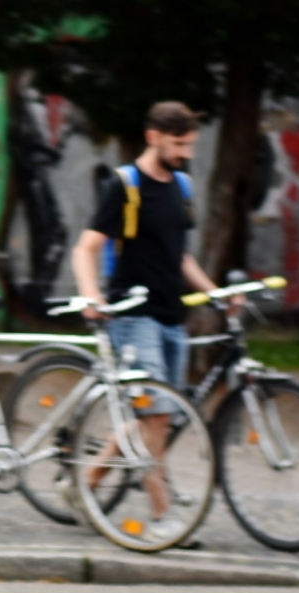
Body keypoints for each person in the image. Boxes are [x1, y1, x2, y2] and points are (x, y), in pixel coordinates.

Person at [70, 101, 223, 533]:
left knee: (158, 415)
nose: (185, 154)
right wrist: (91, 297)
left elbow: (179, 256)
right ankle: (162, 513)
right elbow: (85, 249)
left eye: (190, 145)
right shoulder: (125, 185)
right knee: (155, 414)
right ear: (153, 137)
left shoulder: (183, 186)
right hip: (132, 318)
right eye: (178, 144)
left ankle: (88, 480)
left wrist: (215, 293)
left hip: (171, 316)